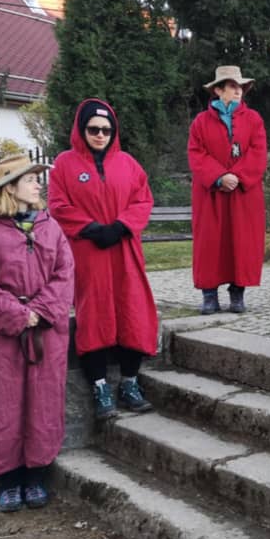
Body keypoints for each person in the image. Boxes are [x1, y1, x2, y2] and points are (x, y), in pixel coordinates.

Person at [0, 154, 74, 512]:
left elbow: (65, 274)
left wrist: (41, 312)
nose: (38, 185)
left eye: (37, 178)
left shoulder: (50, 227)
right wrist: (18, 315)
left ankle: (35, 476)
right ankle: (6, 481)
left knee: (42, 403)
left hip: (45, 333)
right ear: (10, 188)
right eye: (30, 179)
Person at [49, 99, 157, 419]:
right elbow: (58, 205)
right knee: (94, 315)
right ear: (81, 130)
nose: (100, 135)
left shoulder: (128, 164)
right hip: (89, 252)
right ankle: (99, 387)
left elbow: (143, 200)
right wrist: (91, 228)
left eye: (106, 130)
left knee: (132, 311)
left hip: (124, 250)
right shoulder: (64, 165)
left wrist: (121, 226)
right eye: (93, 129)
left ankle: (130, 383)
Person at [187, 65, 267, 314]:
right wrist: (219, 177)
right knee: (210, 243)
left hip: (244, 193)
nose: (238, 91)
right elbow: (196, 154)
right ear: (218, 90)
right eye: (232, 86)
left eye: (240, 86)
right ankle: (209, 295)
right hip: (211, 193)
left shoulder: (254, 119)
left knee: (242, 242)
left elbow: (258, 152)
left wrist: (237, 176)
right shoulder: (201, 122)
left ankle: (237, 293)